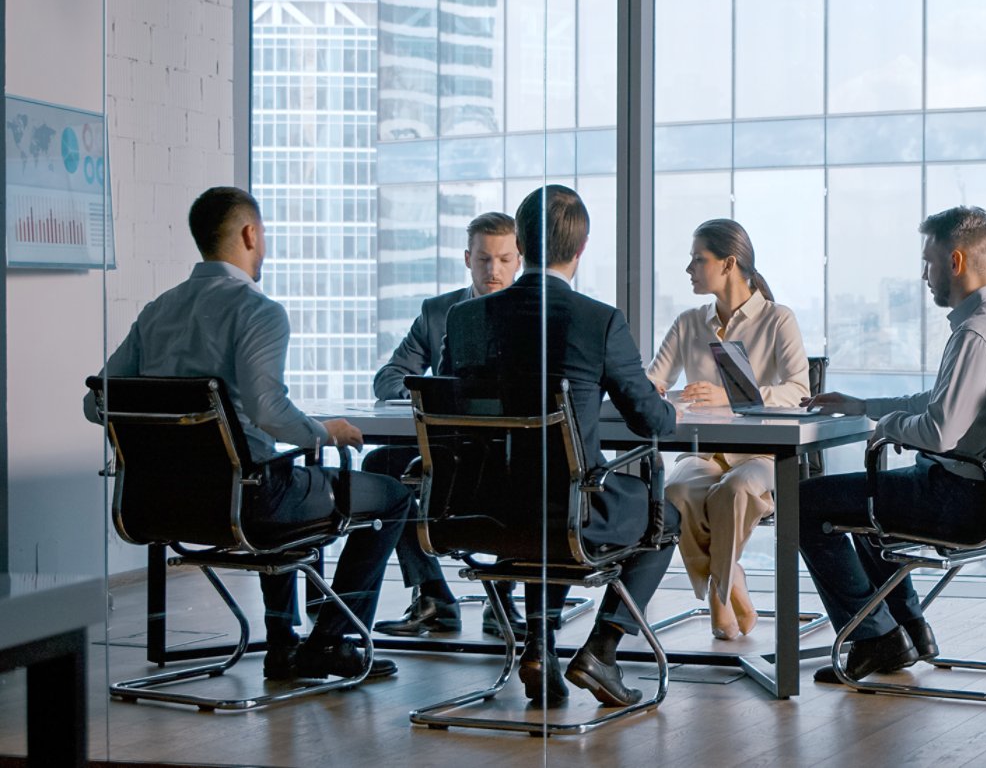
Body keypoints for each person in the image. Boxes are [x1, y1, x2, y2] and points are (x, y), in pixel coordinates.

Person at [83, 186, 412, 680]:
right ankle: (329, 642)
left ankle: (283, 645)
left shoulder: (158, 311)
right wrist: (324, 432)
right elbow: (268, 410)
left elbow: (96, 403)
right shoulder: (259, 311)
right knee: (389, 495)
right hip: (247, 504)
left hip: (158, 505)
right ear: (250, 234)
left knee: (270, 474)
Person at [441, 184, 680, 707]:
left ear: (521, 246)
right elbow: (650, 421)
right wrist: (669, 403)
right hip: (565, 511)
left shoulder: (464, 320)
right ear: (583, 246)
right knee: (666, 517)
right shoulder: (598, 320)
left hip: (478, 512)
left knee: (543, 493)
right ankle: (602, 650)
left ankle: (538, 648)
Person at [799, 205, 986, 683]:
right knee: (867, 503)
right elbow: (946, 402)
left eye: (929, 262)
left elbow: (939, 431)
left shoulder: (976, 334)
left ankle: (876, 639)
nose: (924, 275)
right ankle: (911, 630)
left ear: (955, 262)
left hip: (962, 500)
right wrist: (863, 405)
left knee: (803, 503)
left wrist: (888, 427)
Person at [365, 211, 527, 640]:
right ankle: (433, 593)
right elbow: (389, 377)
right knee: (380, 464)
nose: (493, 270)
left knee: (529, 468)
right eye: (484, 259)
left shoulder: (533, 315)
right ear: (467, 258)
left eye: (504, 259)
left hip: (510, 451)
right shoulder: (437, 312)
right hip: (448, 449)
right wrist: (427, 398)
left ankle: (503, 597)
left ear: (520, 260)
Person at [647, 219, 808, 640]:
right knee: (677, 492)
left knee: (734, 492)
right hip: (702, 453)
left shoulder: (778, 320)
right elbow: (654, 380)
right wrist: (653, 388)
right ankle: (731, 577)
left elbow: (798, 390)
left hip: (761, 455)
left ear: (729, 263)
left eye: (698, 260)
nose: (689, 269)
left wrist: (730, 397)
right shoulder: (687, 323)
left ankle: (720, 598)